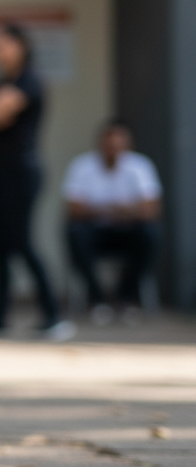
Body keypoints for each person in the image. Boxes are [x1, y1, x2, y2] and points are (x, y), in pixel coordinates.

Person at [0, 24, 74, 341]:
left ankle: (53, 315)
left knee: (22, 243)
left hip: (21, 175)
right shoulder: (0, 82)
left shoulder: (30, 79)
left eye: (2, 45)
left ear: (21, 46)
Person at [63, 120, 162, 325]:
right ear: (100, 144)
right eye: (109, 146)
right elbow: (74, 209)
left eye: (118, 146)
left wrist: (102, 209)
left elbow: (150, 210)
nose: (113, 151)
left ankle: (126, 297)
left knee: (150, 234)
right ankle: (97, 298)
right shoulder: (82, 166)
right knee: (75, 233)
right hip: (95, 233)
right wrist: (121, 209)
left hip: (127, 233)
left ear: (127, 146)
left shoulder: (140, 166)